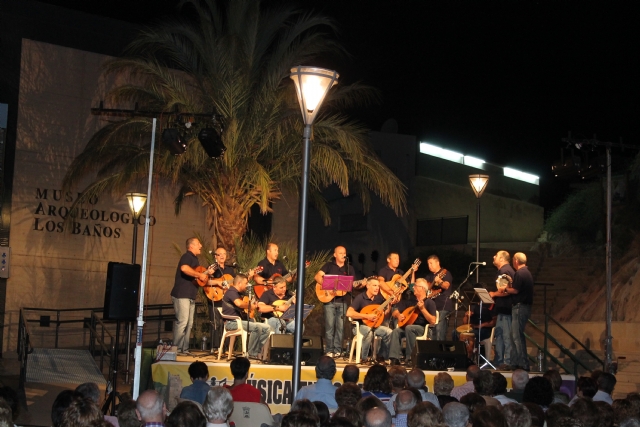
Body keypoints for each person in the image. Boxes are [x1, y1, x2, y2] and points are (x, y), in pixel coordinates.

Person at [315, 246, 365, 357]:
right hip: (329, 300)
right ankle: (329, 350)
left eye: (344, 253)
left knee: (340, 327)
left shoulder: (349, 268)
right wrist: (327, 287)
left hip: (342, 301)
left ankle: (338, 350)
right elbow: (317, 276)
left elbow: (353, 285)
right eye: (340, 253)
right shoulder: (328, 266)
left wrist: (361, 284)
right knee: (329, 326)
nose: (343, 255)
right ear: (335, 255)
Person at [171, 237, 213, 354]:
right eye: (199, 244)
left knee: (189, 324)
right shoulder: (187, 256)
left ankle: (184, 349)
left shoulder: (195, 259)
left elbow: (196, 277)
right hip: (182, 294)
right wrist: (199, 275)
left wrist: (206, 273)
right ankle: (176, 349)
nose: (201, 246)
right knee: (183, 322)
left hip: (190, 295)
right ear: (191, 246)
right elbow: (184, 268)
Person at [220, 273, 271, 360]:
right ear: (239, 283)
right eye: (245, 283)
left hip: (239, 321)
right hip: (231, 323)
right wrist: (250, 306)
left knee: (267, 328)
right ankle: (251, 354)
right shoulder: (232, 291)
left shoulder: (238, 293)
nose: (247, 285)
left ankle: (256, 351)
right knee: (257, 327)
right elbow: (239, 304)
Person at [388, 278, 438, 365]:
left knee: (409, 328)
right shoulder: (410, 301)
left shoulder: (430, 302)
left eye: (415, 286)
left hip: (422, 328)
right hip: (409, 327)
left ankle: (410, 358)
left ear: (422, 288)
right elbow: (395, 311)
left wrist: (422, 309)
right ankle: (394, 358)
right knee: (396, 331)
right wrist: (398, 315)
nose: (413, 287)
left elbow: (433, 321)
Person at [346, 278, 392, 363]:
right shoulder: (360, 298)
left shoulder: (379, 299)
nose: (377, 288)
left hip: (375, 326)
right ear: (367, 286)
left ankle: (381, 356)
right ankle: (364, 358)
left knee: (389, 332)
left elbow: (382, 314)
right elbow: (349, 313)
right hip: (360, 326)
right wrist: (366, 316)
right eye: (375, 285)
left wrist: (388, 307)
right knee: (368, 332)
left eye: (378, 286)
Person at [505, 252, 534, 371]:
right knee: (514, 336)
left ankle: (522, 363)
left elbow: (515, 290)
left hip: (519, 307)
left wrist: (505, 288)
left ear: (516, 261)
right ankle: (515, 362)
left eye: (513, 260)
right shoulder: (527, 273)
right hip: (524, 307)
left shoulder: (520, 273)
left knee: (517, 336)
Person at [488, 250, 516, 369]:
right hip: (502, 309)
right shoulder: (502, 271)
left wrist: (494, 294)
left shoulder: (506, 271)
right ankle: (499, 360)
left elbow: (506, 291)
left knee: (505, 336)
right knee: (499, 335)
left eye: (497, 255)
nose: (494, 256)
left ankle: (507, 361)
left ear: (502, 259)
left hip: (506, 309)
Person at [208, 247, 236, 349]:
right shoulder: (212, 268)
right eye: (220, 254)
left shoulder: (230, 270)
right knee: (216, 324)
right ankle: (215, 347)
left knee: (227, 324)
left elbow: (235, 284)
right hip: (215, 298)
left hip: (227, 301)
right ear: (215, 256)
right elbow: (206, 281)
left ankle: (226, 348)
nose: (223, 256)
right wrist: (218, 282)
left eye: (224, 253)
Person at [424, 255, 453, 340]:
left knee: (440, 330)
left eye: (431, 263)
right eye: (428, 264)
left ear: (437, 263)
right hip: (432, 307)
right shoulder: (429, 276)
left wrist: (440, 281)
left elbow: (446, 286)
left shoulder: (445, 273)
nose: (429, 265)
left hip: (443, 306)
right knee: (431, 332)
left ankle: (441, 352)